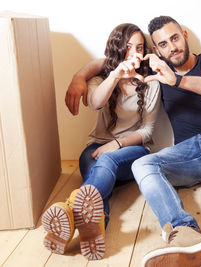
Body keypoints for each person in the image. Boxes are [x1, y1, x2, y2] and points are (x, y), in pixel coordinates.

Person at [66, 16, 201, 267]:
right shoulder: (155, 71)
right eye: (163, 44)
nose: (171, 47)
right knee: (141, 165)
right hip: (188, 156)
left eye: (174, 38)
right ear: (156, 50)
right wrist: (79, 75)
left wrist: (178, 80)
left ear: (184, 35)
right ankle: (183, 231)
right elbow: (112, 59)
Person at [42, 23, 161, 261]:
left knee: (103, 165)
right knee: (95, 194)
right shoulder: (101, 79)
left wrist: (115, 145)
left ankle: (68, 207)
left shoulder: (151, 82)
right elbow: (94, 103)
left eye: (139, 47)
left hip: (132, 150)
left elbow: (147, 131)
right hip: (95, 149)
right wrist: (116, 75)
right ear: (117, 49)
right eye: (128, 48)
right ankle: (94, 229)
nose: (135, 54)